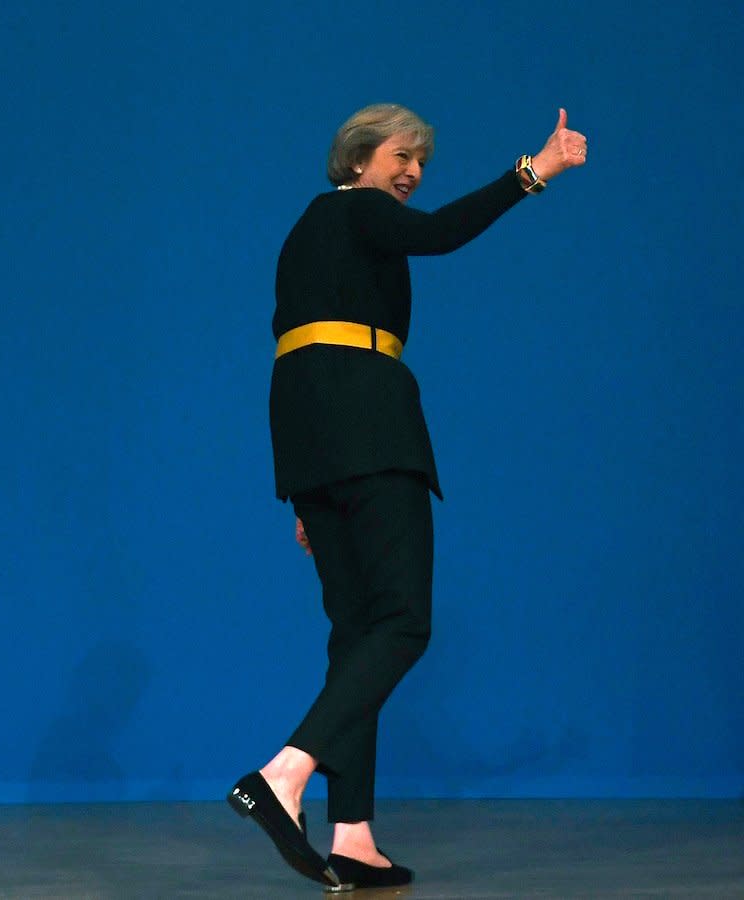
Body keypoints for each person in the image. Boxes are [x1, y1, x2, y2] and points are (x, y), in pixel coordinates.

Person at [227, 103, 588, 891]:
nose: (414, 173)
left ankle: (352, 833)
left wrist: (307, 491)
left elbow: (298, 344)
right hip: (370, 430)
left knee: (356, 634)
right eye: (400, 156)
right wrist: (536, 170)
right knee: (402, 623)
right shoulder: (357, 211)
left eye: (422, 162)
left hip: (317, 444)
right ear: (357, 159)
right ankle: (284, 776)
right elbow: (444, 233)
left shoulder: (313, 234)